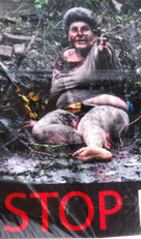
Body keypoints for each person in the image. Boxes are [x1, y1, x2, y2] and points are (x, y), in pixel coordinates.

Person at [26, 7, 129, 162]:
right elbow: (54, 94)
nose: (80, 33)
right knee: (39, 129)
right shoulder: (63, 59)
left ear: (94, 35)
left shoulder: (100, 49)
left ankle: (98, 149)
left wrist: (102, 49)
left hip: (106, 111)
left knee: (90, 121)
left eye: (85, 29)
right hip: (70, 113)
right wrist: (40, 119)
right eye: (74, 29)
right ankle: (84, 142)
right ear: (69, 35)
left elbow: (102, 56)